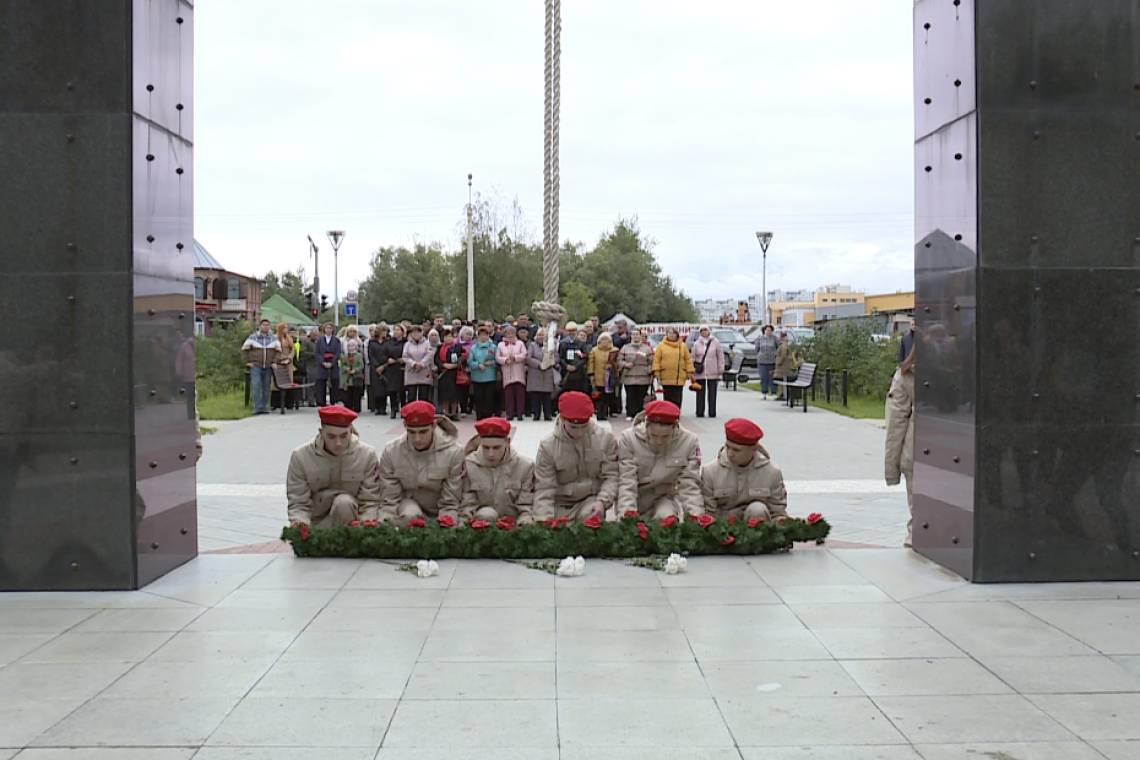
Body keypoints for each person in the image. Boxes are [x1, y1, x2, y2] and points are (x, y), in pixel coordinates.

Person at [286, 406, 381, 527]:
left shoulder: (367, 455)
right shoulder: (301, 456)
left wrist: (367, 526)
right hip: (316, 522)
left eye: (343, 436)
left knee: (344, 503)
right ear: (321, 433)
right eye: (331, 437)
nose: (338, 443)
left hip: (353, 523)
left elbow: (370, 501)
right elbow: (298, 502)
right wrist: (300, 527)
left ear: (351, 432)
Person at [534, 391, 619, 522]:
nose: (579, 433)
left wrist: (603, 501)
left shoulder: (605, 439)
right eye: (573, 427)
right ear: (562, 419)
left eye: (584, 426)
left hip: (590, 500)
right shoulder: (548, 446)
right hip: (559, 504)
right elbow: (544, 489)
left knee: (591, 518)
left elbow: (612, 476)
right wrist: (544, 521)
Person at [378, 400, 464, 527]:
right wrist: (385, 528)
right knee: (409, 516)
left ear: (434, 426)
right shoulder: (392, 451)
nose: (417, 439)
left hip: (439, 509)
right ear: (405, 427)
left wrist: (446, 531)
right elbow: (389, 500)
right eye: (411, 432)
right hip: (407, 508)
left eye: (423, 432)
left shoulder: (454, 453)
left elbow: (450, 502)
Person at [616, 399, 702, 519]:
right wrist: (626, 519)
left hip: (664, 497)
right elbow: (626, 482)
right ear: (647, 426)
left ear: (675, 427)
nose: (659, 441)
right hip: (636, 496)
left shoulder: (689, 442)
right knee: (630, 523)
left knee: (666, 518)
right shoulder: (629, 438)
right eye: (654, 435)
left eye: (665, 436)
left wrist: (696, 520)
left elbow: (690, 485)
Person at [701, 418, 788, 522]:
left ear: (754, 449)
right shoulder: (711, 472)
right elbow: (708, 514)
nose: (730, 454)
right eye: (728, 447)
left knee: (757, 509)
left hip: (758, 531)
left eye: (736, 450)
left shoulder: (772, 473)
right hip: (723, 529)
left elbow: (778, 513)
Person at [461, 417, 537, 524]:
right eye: (486, 448)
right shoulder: (469, 465)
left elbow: (526, 508)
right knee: (487, 513)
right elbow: (467, 507)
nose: (491, 454)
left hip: (514, 525)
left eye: (496, 448)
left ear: (508, 442)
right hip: (481, 525)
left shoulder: (525, 466)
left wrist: (524, 527)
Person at [885, 344, 916, 547]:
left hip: (916, 450)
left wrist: (892, 469)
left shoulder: (906, 374)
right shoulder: (906, 375)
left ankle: (916, 535)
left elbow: (895, 423)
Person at [241, 319, 281, 415]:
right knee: (256, 386)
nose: (265, 326)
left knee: (266, 387)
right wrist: (247, 362)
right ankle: (257, 408)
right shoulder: (253, 338)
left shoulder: (274, 339)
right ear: (260, 326)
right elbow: (244, 350)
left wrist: (275, 362)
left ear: (269, 326)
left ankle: (263, 407)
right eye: (263, 325)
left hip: (268, 367)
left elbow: (279, 352)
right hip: (256, 366)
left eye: (267, 325)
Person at [652, 327, 695, 410]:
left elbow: (688, 359)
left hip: (678, 377)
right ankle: (668, 413)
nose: (672, 335)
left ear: (677, 335)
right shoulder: (661, 346)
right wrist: (656, 371)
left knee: (677, 397)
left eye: (674, 333)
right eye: (670, 333)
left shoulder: (682, 346)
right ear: (667, 334)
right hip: (665, 375)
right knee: (667, 397)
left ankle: (676, 412)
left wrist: (690, 371)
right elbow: (657, 359)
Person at [617, 329, 653, 421]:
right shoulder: (625, 348)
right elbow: (619, 360)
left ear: (641, 336)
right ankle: (630, 413)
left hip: (643, 377)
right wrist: (625, 364)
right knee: (630, 395)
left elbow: (651, 361)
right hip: (630, 377)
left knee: (641, 396)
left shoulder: (646, 348)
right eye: (633, 334)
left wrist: (649, 370)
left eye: (637, 334)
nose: (635, 336)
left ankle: (641, 414)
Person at [691, 326, 725, 419]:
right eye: (701, 330)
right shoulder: (696, 344)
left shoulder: (716, 342)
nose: (704, 332)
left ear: (709, 331)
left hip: (712, 370)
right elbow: (692, 357)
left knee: (712, 393)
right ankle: (699, 411)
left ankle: (712, 412)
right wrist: (691, 369)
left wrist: (720, 368)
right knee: (700, 392)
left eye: (705, 330)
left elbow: (720, 356)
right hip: (700, 371)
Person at [496, 325, 528, 421]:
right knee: (508, 394)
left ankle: (520, 413)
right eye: (508, 333)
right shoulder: (500, 345)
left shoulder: (520, 343)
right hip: (507, 372)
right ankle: (510, 413)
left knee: (520, 393)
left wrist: (515, 358)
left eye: (512, 333)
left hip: (518, 371)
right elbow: (497, 357)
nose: (510, 335)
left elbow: (524, 354)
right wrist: (505, 360)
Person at [467, 325, 499, 420]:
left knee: (489, 398)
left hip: (490, 376)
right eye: (481, 335)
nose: (483, 337)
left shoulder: (493, 347)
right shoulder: (474, 348)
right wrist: (477, 365)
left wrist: (492, 363)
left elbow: (498, 360)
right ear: (478, 336)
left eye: (485, 335)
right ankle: (479, 416)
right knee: (478, 398)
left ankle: (488, 415)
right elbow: (470, 362)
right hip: (477, 377)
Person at [435, 329, 466, 421]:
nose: (448, 338)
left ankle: (454, 413)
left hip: (455, 373)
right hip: (444, 373)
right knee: (445, 394)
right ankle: (446, 413)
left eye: (450, 336)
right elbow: (436, 359)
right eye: (446, 337)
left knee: (455, 394)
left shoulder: (458, 347)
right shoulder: (440, 348)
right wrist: (443, 365)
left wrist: (456, 364)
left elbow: (463, 358)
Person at [587, 332, 619, 421]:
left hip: (609, 379)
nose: (604, 341)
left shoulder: (614, 350)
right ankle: (599, 412)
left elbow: (618, 364)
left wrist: (613, 366)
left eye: (606, 340)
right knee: (598, 396)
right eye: (603, 339)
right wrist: (591, 374)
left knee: (607, 397)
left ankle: (605, 413)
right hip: (598, 377)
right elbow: (591, 363)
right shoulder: (594, 350)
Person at [526, 327, 556, 421]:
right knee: (536, 396)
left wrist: (547, 363)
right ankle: (536, 414)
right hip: (535, 373)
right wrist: (538, 364)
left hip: (547, 373)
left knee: (547, 396)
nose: (541, 337)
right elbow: (528, 358)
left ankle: (547, 414)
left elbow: (556, 357)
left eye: (543, 335)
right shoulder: (532, 345)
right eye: (539, 335)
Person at [402, 325, 434, 403]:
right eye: (414, 332)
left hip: (424, 372)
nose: (416, 334)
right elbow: (405, 356)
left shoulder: (427, 343)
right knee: (411, 397)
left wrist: (421, 364)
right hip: (411, 372)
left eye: (418, 332)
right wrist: (414, 364)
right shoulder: (407, 344)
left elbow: (429, 355)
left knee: (423, 397)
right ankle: (411, 413)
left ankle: (423, 413)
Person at [380, 323, 406, 418]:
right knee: (392, 390)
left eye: (398, 330)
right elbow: (382, 353)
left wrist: (404, 359)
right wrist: (387, 359)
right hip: (391, 368)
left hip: (402, 367)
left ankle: (403, 409)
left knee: (402, 390)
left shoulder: (405, 342)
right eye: (394, 330)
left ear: (402, 332)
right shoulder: (388, 342)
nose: (396, 332)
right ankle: (393, 409)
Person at [314, 322, 341, 407]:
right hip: (322, 364)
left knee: (334, 382)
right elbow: (317, 353)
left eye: (330, 328)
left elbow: (338, 353)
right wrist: (323, 362)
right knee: (321, 383)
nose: (329, 330)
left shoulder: (336, 340)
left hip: (333, 364)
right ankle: (322, 402)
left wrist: (332, 363)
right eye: (327, 328)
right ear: (324, 329)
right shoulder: (319, 341)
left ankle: (333, 401)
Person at [558, 323, 591, 394]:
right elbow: (560, 357)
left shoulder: (581, 343)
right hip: (566, 373)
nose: (571, 333)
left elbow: (585, 357)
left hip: (578, 374)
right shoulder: (563, 343)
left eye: (573, 331)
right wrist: (566, 366)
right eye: (569, 331)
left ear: (576, 332)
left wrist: (576, 366)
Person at [270, 322, 295, 412]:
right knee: (277, 383)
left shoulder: (289, 339)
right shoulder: (274, 338)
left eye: (287, 328)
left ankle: (289, 403)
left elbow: (292, 350)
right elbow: (272, 351)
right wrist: (276, 361)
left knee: (288, 382)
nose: (286, 330)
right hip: (278, 362)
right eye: (285, 328)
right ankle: (275, 403)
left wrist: (289, 359)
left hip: (287, 363)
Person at [367, 322, 390, 416]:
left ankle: (383, 407)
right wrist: (376, 366)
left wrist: (384, 365)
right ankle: (377, 407)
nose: (385, 333)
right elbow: (370, 355)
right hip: (375, 368)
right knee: (376, 387)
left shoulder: (388, 341)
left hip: (386, 367)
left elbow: (389, 354)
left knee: (384, 387)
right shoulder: (372, 342)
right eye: (384, 331)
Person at [340, 337, 365, 412]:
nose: (351, 347)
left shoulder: (358, 355)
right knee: (348, 392)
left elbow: (361, 365)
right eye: (349, 346)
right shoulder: (345, 356)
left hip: (356, 376)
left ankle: (356, 407)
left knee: (356, 393)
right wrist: (346, 368)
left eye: (352, 346)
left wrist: (355, 370)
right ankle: (348, 406)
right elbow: (343, 364)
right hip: (348, 378)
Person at [175, 330, 195, 420]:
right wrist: (179, 371)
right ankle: (191, 415)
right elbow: (180, 360)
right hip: (189, 376)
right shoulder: (185, 346)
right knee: (190, 396)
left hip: (198, 376)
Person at [456, 324, 476, 416]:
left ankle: (470, 406)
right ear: (462, 334)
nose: (469, 336)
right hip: (459, 370)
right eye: (467, 334)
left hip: (472, 369)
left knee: (471, 390)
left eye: (470, 334)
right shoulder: (456, 343)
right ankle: (463, 408)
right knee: (461, 390)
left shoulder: (474, 344)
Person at [754, 325, 778, 400]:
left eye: (770, 330)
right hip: (762, 361)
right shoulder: (760, 339)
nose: (768, 332)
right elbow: (757, 349)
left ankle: (774, 392)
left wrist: (775, 355)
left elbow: (778, 347)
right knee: (763, 378)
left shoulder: (774, 338)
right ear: (764, 331)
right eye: (767, 330)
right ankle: (764, 392)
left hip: (772, 361)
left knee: (772, 378)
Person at [773, 330, 793, 401]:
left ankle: (784, 394)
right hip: (783, 366)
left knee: (782, 380)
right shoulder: (784, 344)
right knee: (782, 380)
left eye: (780, 336)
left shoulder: (784, 345)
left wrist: (779, 362)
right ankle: (783, 393)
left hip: (783, 366)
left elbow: (783, 355)